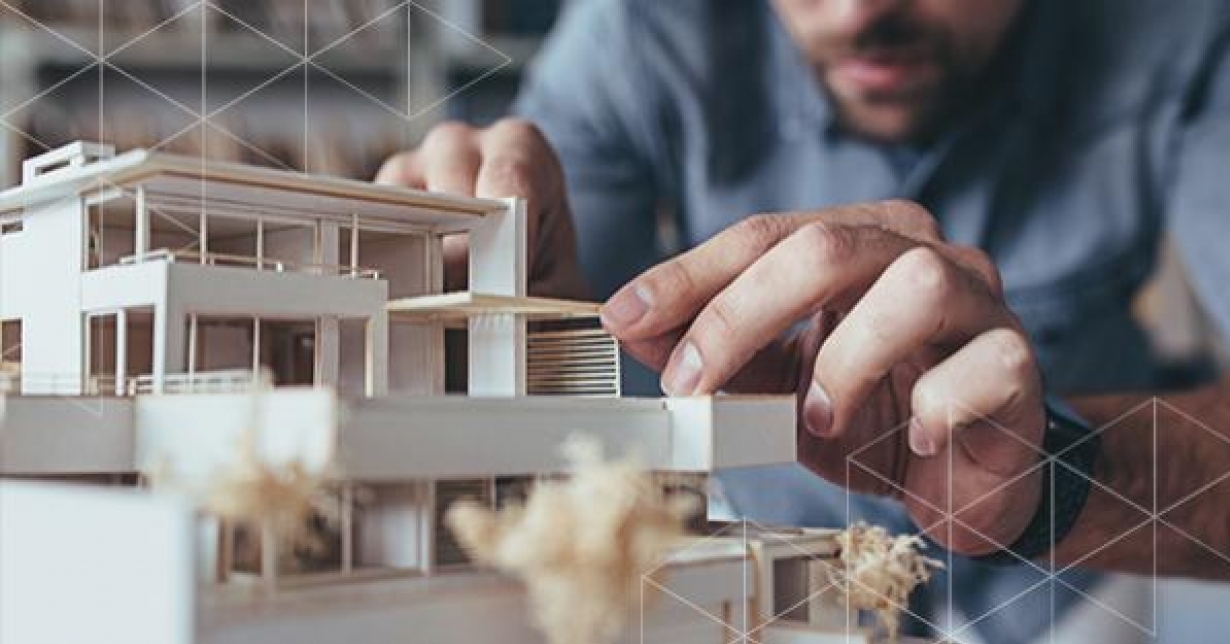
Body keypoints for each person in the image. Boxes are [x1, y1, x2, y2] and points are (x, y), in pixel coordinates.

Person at [377, 0, 1230, 640]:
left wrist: (1053, 485)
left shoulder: (1184, 30)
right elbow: (563, 331)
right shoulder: (637, 30)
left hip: (1077, 597)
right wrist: (490, 322)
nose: (859, 13)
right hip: (751, 604)